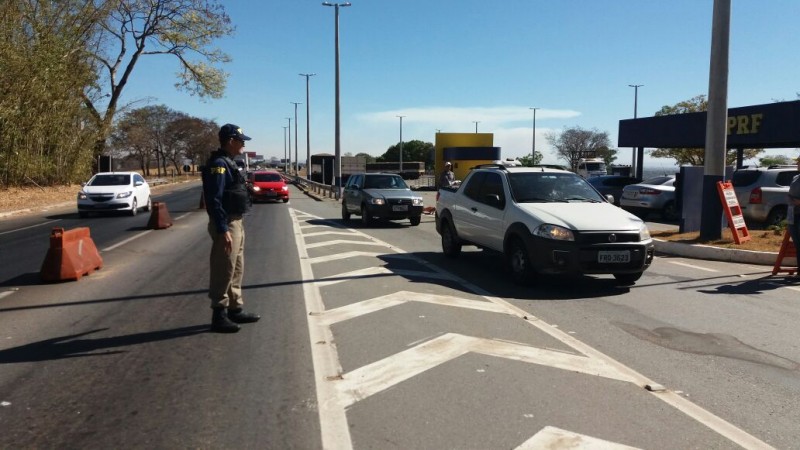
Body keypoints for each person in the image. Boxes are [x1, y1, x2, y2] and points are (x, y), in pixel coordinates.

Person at [202, 123, 261, 333]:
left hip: (236, 220)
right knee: (224, 267)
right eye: (241, 140)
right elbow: (214, 199)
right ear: (230, 141)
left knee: (237, 266)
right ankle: (219, 313)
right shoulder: (219, 164)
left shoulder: (229, 163)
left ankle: (235, 308)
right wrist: (222, 228)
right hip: (227, 222)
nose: (243, 144)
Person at [787, 157, 800, 277]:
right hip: (793, 213)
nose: (798, 164)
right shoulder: (796, 178)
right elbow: (789, 193)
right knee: (797, 242)